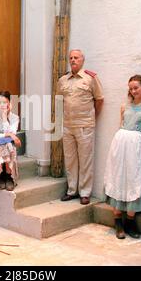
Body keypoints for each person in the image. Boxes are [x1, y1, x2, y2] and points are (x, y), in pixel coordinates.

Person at [103, 74, 141, 239]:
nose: (133, 91)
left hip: (136, 146)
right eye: (131, 89)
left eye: (136, 88)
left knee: (133, 178)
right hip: (120, 145)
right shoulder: (124, 106)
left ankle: (130, 222)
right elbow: (120, 127)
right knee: (118, 177)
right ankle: (118, 221)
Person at [57, 49, 104, 205]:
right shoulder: (63, 80)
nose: (73, 60)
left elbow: (99, 99)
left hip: (85, 125)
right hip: (68, 125)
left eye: (76, 57)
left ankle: (85, 192)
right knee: (70, 159)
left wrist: (91, 117)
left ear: (82, 60)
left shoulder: (90, 78)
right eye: (70, 58)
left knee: (85, 160)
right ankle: (72, 190)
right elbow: (59, 100)